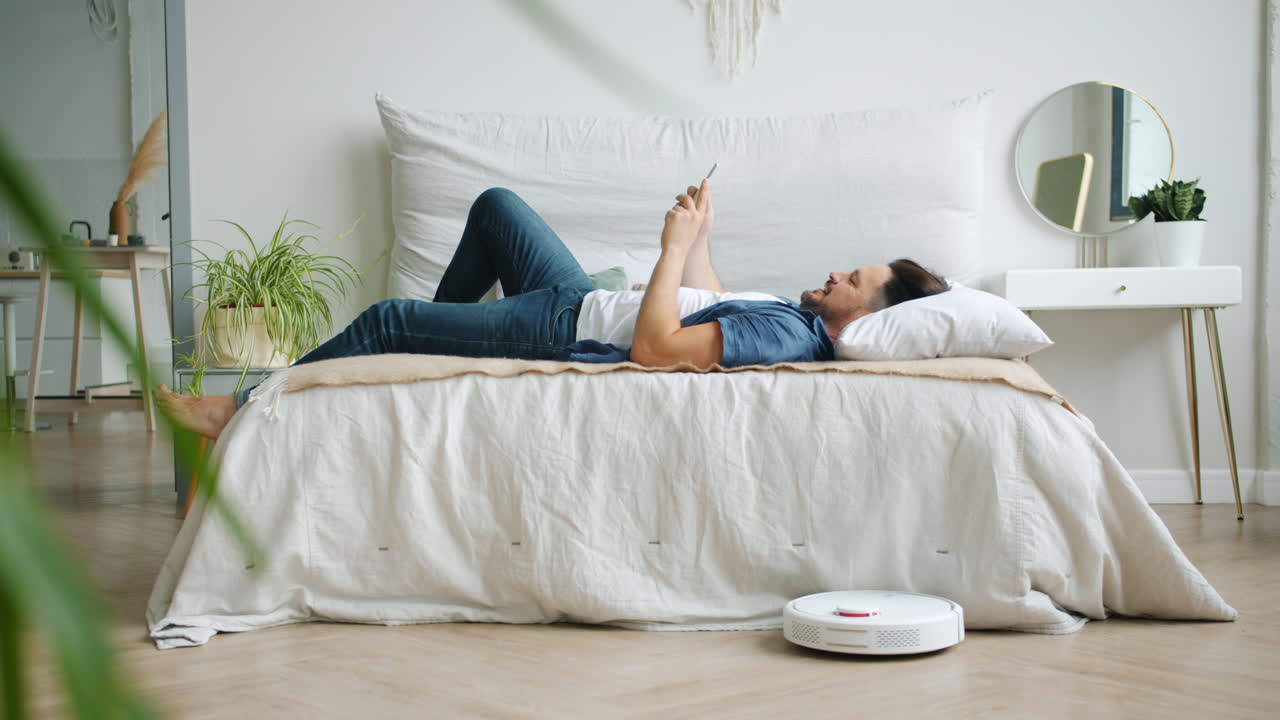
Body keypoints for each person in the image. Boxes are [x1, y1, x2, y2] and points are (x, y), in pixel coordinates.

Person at [158, 181, 947, 438]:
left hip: (563, 327)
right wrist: (700, 233)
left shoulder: (792, 334)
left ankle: (238, 408)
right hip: (579, 295)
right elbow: (708, 299)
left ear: (865, 320)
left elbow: (658, 351)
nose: (837, 271)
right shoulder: (789, 312)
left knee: (386, 320)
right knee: (497, 206)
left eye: (855, 279)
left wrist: (669, 252)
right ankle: (426, 363)